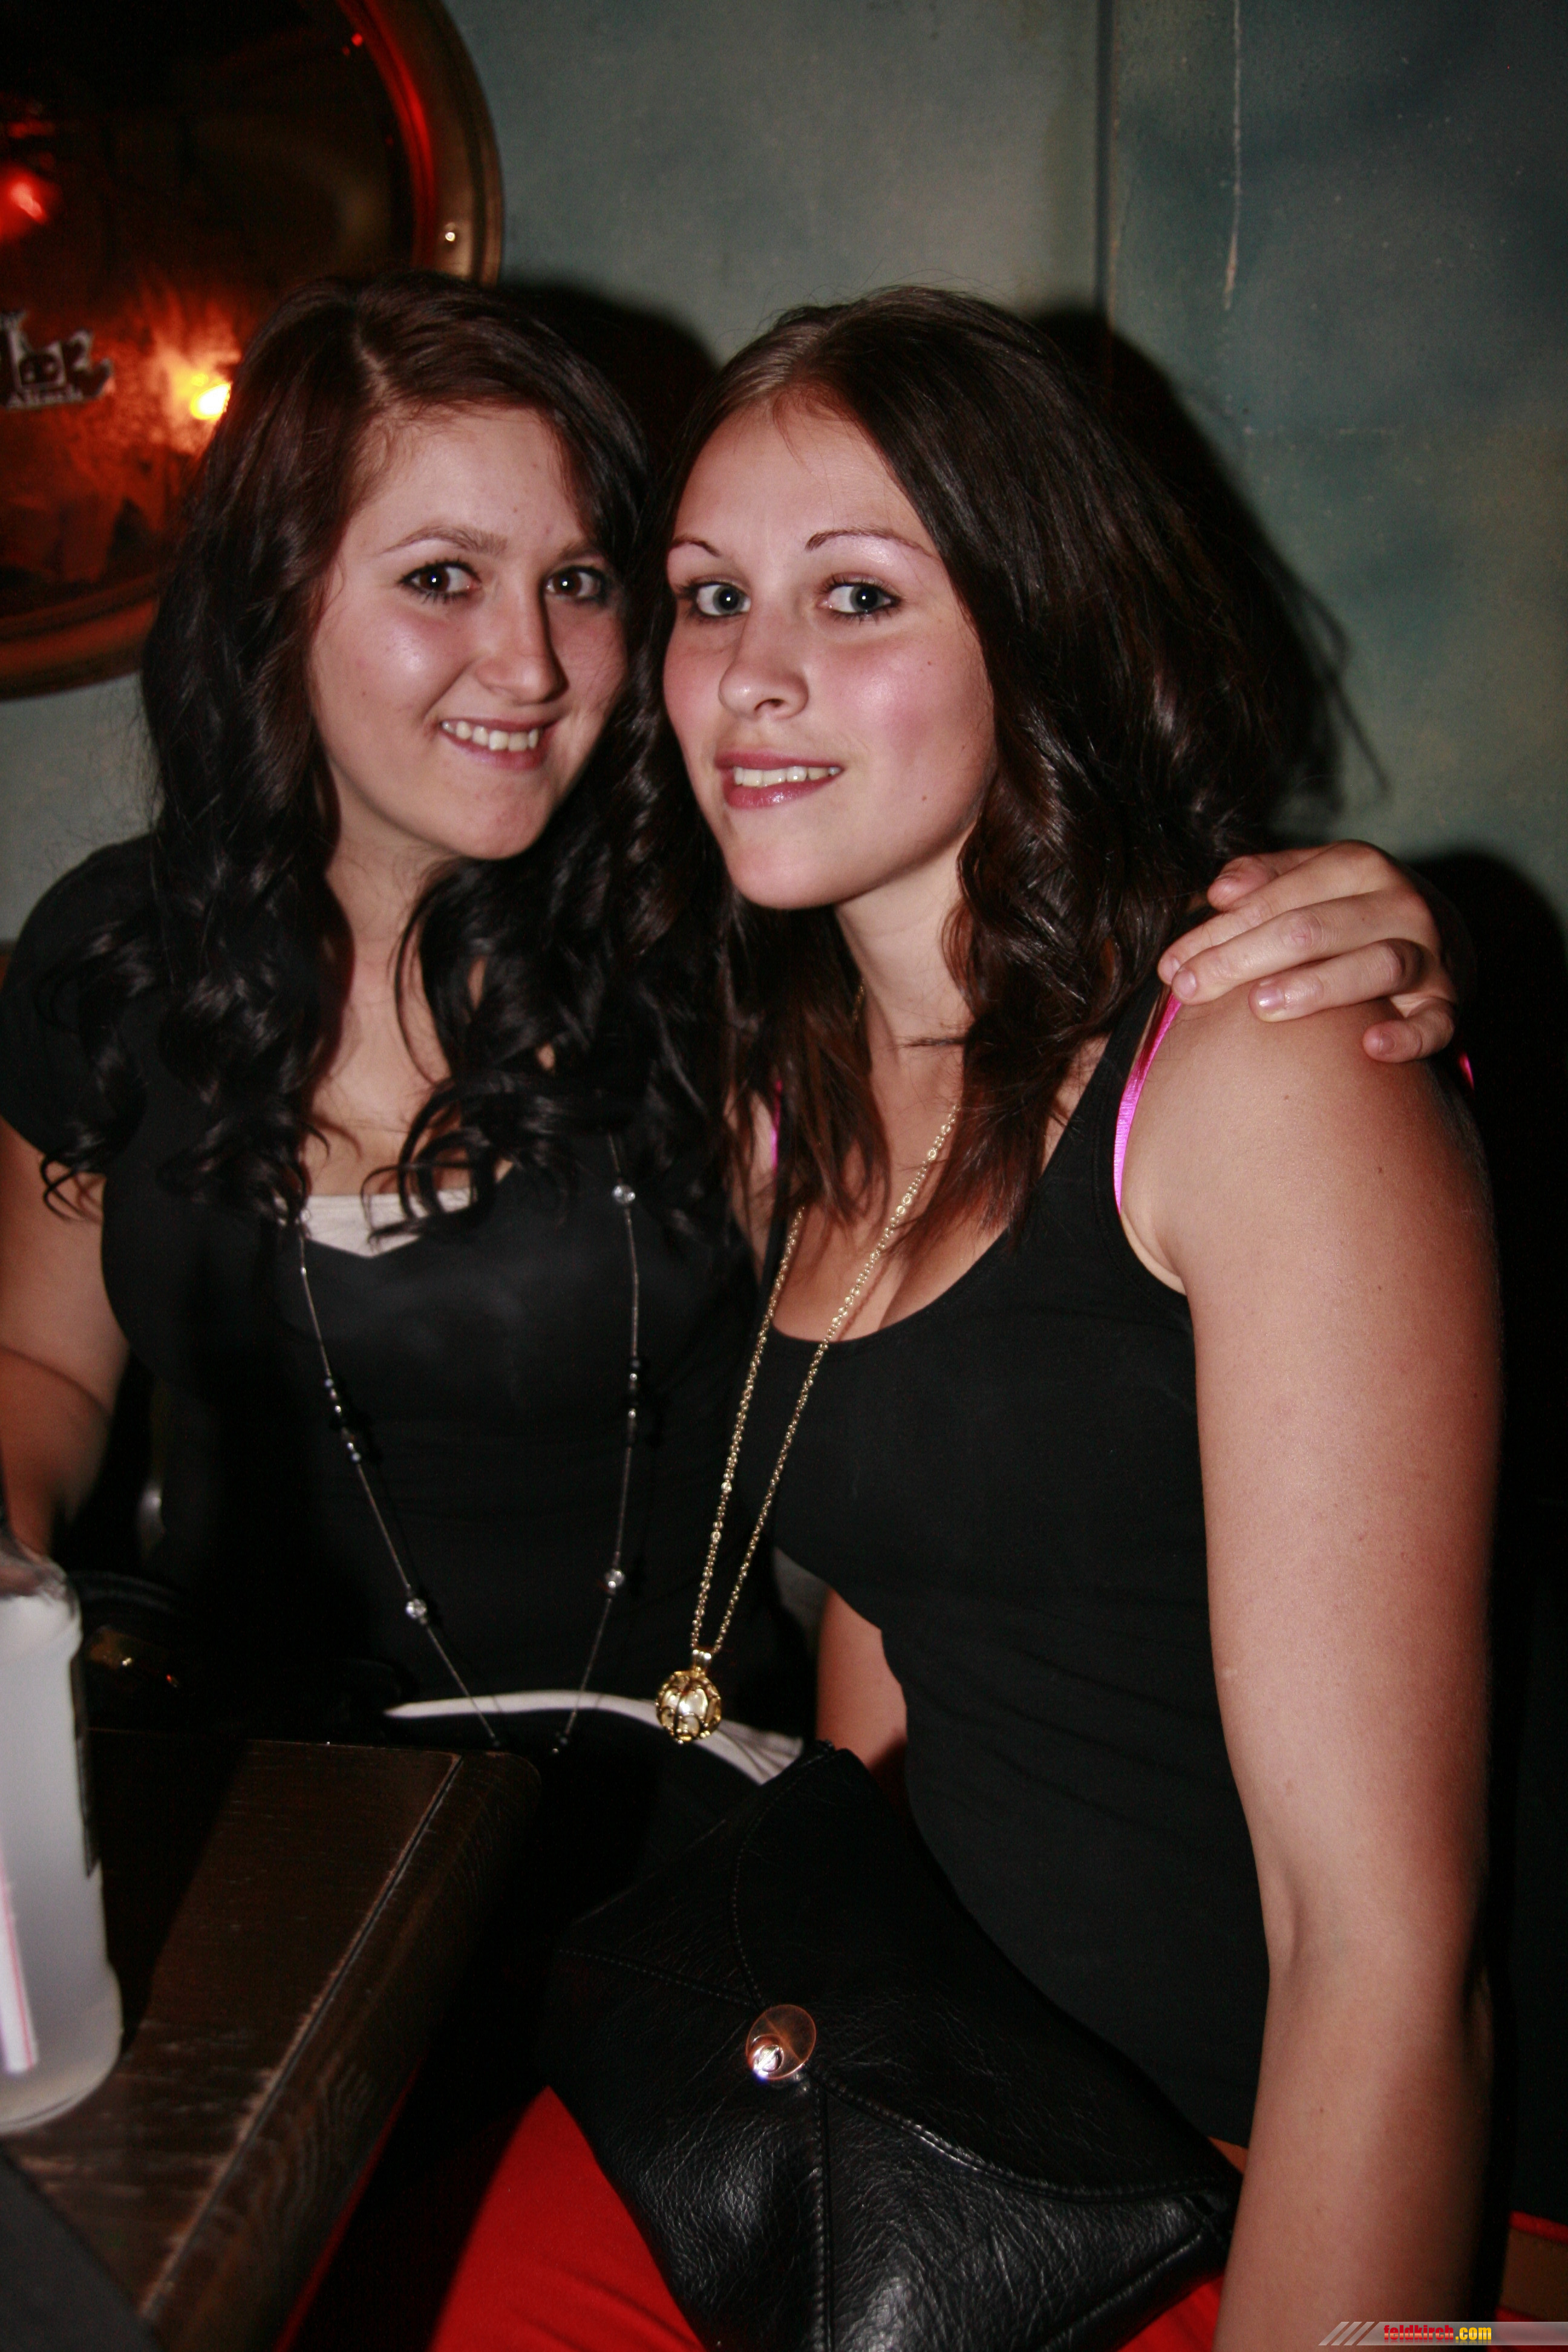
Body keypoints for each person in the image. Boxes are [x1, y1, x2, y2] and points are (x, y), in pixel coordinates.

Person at [0, 276, 1457, 1790]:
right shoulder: (116, 958)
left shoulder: (719, 922)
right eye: (442, 578)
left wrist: (1391, 928)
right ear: (272, 594)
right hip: (255, 1809)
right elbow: (41, 1358)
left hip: (672, 1797)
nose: (531, 664)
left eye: (580, 581)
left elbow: (1056, 976)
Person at [433, 292, 1501, 2350]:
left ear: (1041, 627)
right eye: (710, 596)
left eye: (856, 595)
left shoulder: (1267, 1062)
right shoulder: (807, 1085)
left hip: (1241, 2169)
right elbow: (905, 1611)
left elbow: (1385, 1955)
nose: (751, 675)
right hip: (944, 2111)